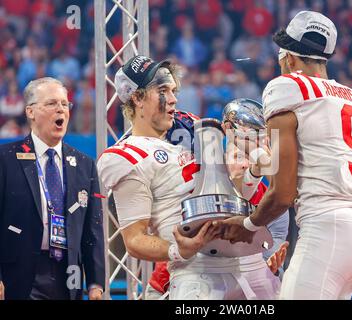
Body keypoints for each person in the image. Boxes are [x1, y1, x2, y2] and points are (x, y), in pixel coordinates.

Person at [216, 10, 352, 299]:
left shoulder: (287, 87)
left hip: (325, 228)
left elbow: (283, 192)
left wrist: (248, 225)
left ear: (287, 57)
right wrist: (257, 163)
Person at [97, 55, 281, 300]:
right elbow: (135, 239)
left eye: (173, 90)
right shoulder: (126, 156)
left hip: (252, 267)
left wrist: (255, 171)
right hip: (198, 274)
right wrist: (178, 249)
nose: (173, 99)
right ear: (137, 98)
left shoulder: (194, 129)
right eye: (163, 90)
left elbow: (231, 196)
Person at [0, 77, 105, 300]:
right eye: (51, 104)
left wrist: (96, 283)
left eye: (65, 104)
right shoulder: (5, 159)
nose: (61, 109)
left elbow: (92, 231)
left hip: (69, 275)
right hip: (19, 273)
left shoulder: (85, 164)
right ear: (30, 112)